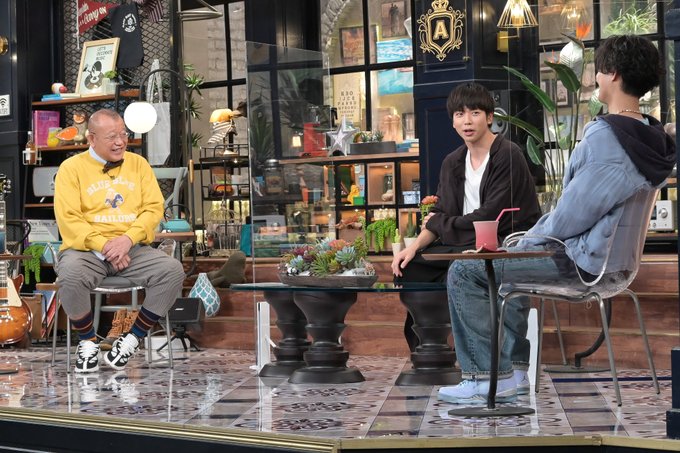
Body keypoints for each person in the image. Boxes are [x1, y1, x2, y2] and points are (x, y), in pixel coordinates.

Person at [439, 35, 676, 404]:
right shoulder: (649, 135)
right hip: (618, 266)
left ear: (612, 74)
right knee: (497, 266)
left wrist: (522, 243)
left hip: (583, 264)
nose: (596, 78)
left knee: (466, 271)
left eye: (599, 71)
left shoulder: (609, 138)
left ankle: (485, 377)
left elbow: (571, 217)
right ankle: (515, 373)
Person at [391, 82, 541, 352]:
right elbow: (440, 213)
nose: (467, 121)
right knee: (413, 268)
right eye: (460, 114)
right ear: (453, 122)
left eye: (475, 113)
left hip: (504, 242)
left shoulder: (508, 155)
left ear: (490, 117)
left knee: (458, 268)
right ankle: (430, 350)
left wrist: (439, 223)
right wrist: (412, 248)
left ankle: (479, 350)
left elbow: (489, 216)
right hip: (464, 241)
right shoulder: (453, 161)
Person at [54, 109, 186, 373]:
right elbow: (68, 218)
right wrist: (105, 247)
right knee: (70, 275)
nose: (120, 142)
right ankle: (88, 342)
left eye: (123, 135)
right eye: (111, 137)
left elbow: (153, 208)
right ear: (92, 139)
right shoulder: (71, 168)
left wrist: (127, 240)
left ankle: (132, 339)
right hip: (87, 251)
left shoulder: (139, 164)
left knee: (172, 271)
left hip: (132, 249)